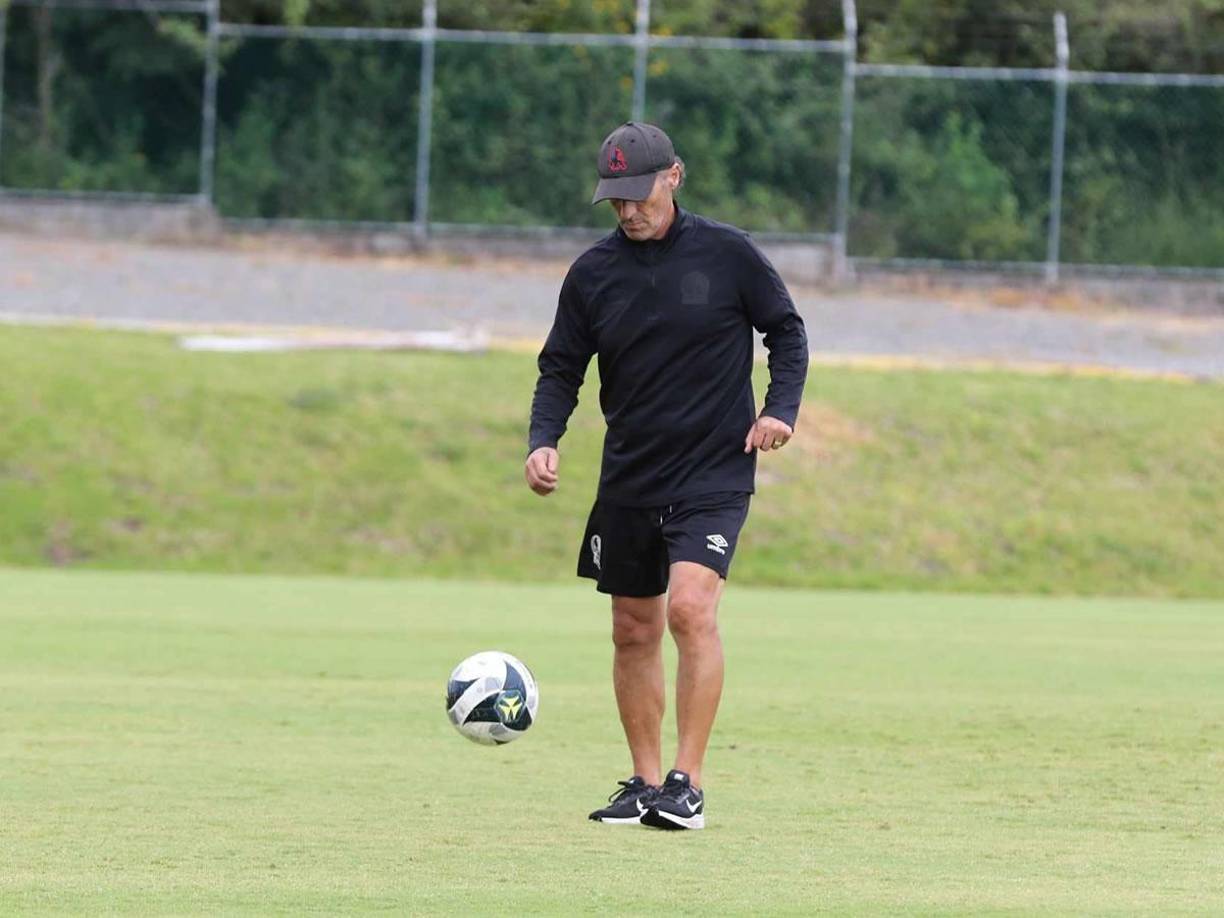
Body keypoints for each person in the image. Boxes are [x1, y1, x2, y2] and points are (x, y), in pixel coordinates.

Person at [525, 122, 808, 830]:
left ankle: (688, 782)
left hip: (713, 468)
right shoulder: (592, 273)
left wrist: (780, 411)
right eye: (614, 199)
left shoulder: (727, 253)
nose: (628, 210)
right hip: (630, 475)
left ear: (673, 177)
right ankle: (646, 784)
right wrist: (543, 439)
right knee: (631, 628)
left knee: (690, 609)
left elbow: (787, 331)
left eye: (638, 194)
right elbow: (561, 365)